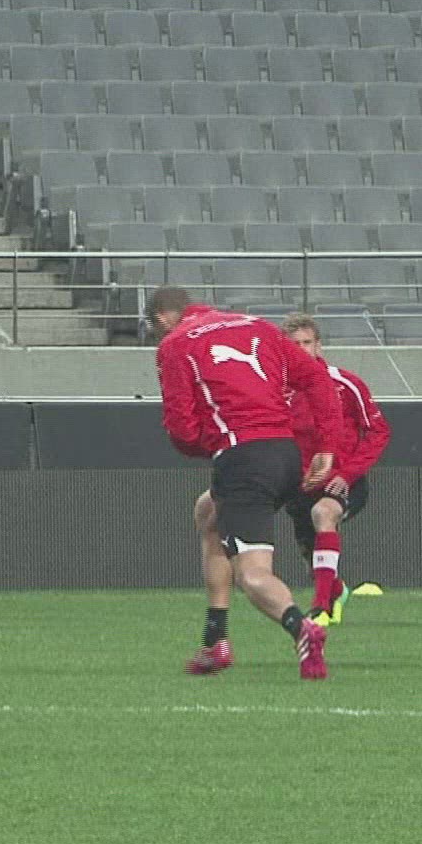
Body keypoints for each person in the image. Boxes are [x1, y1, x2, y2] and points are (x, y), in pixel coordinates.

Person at [150, 288, 345, 680]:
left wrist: (216, 446)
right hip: (287, 454)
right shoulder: (257, 326)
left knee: (253, 574)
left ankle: (302, 628)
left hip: (244, 458)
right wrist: (327, 446)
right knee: (208, 513)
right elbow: (316, 378)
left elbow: (181, 429)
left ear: (161, 319)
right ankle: (215, 639)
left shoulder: (175, 345)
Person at [282, 312, 390, 627]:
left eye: (307, 343)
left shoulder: (345, 384)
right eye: (294, 345)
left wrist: (347, 473)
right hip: (300, 484)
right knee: (311, 556)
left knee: (324, 513)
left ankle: (320, 609)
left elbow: (378, 431)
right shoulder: (276, 391)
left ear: (318, 346)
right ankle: (336, 590)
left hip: (343, 481)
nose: (302, 350)